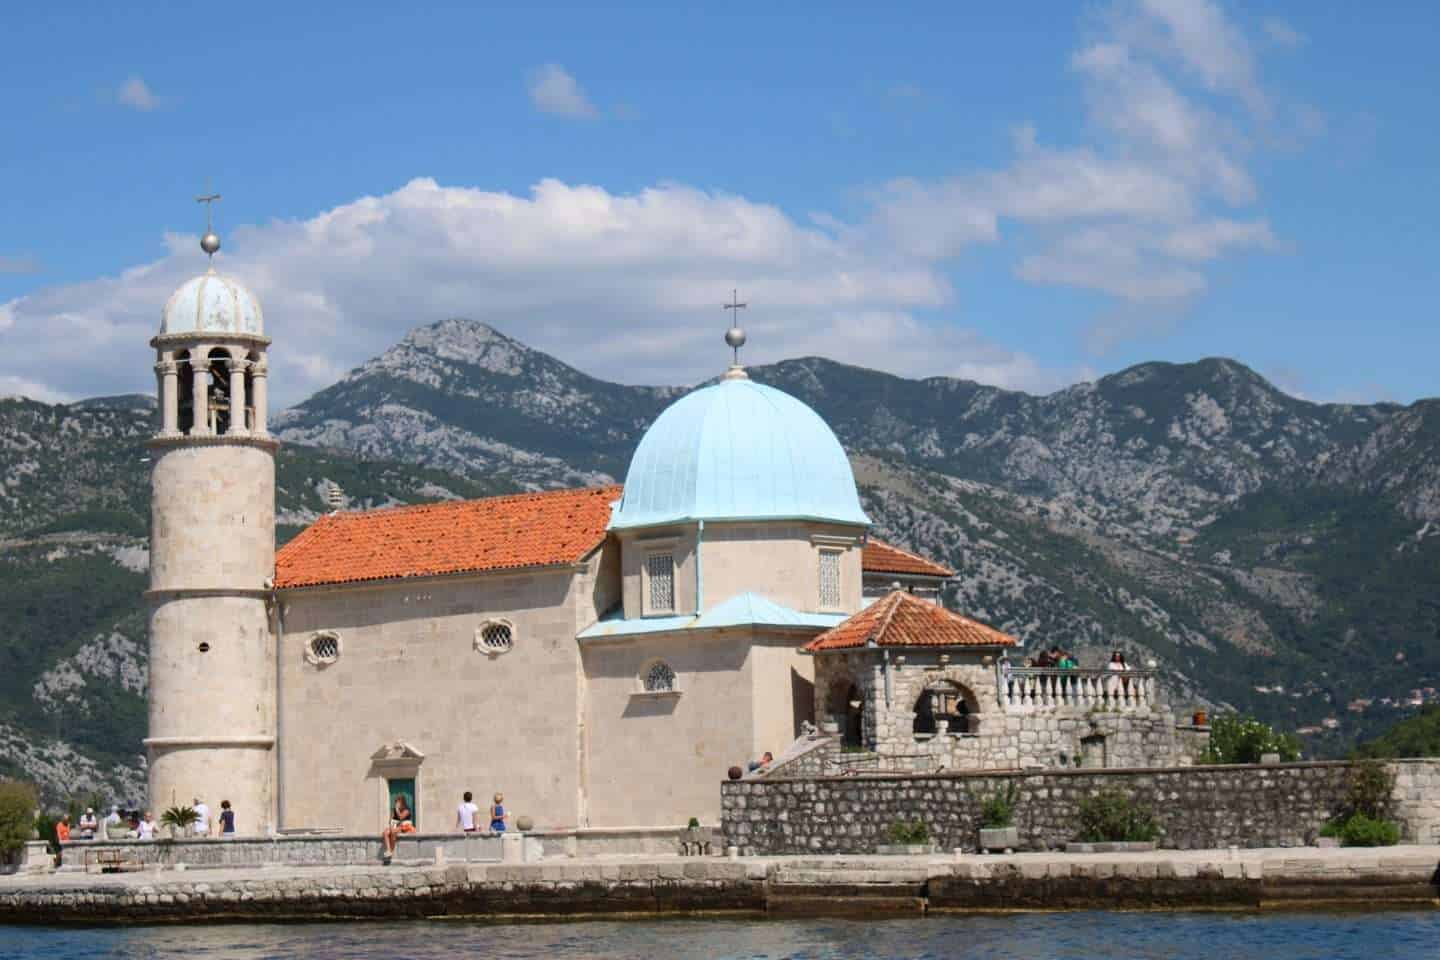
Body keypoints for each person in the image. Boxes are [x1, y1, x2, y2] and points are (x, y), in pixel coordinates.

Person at [382, 794, 415, 862]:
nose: (397, 804)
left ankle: (391, 851)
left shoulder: (406, 810)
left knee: (393, 832)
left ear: (402, 802)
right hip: (397, 826)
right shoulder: (394, 810)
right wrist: (391, 826)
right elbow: (391, 820)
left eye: (398, 802)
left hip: (406, 826)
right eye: (396, 802)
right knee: (385, 832)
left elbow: (401, 817)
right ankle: (388, 850)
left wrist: (397, 810)